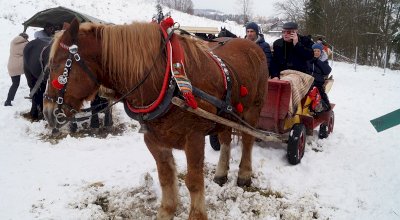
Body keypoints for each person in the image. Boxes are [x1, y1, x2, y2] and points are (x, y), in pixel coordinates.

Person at [5, 33, 29, 106]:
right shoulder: (25, 44)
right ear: (25, 38)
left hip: (11, 66)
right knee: (32, 79)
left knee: (15, 84)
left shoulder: (13, 42)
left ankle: (8, 101)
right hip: (19, 66)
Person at [307, 43, 332, 111]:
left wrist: (317, 61)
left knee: (320, 93)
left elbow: (327, 70)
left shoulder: (323, 60)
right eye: (314, 51)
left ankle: (324, 106)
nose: (316, 52)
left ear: (321, 52)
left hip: (318, 82)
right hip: (307, 81)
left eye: (318, 51)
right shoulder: (308, 59)